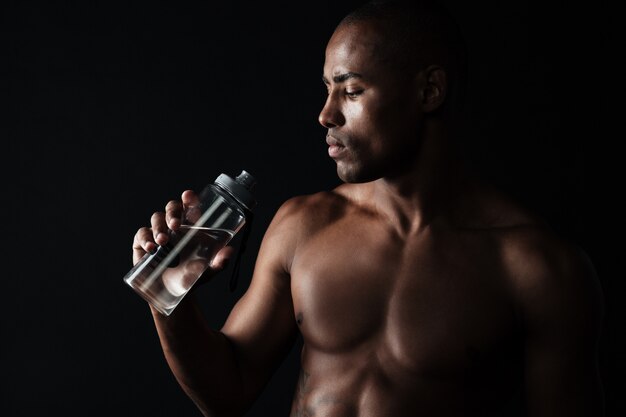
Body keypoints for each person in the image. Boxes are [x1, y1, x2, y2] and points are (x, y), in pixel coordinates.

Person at [131, 0, 605, 415]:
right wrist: (169, 294)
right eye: (327, 89)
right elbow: (225, 394)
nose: (326, 114)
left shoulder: (538, 270)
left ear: (429, 91)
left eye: (351, 91)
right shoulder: (303, 226)